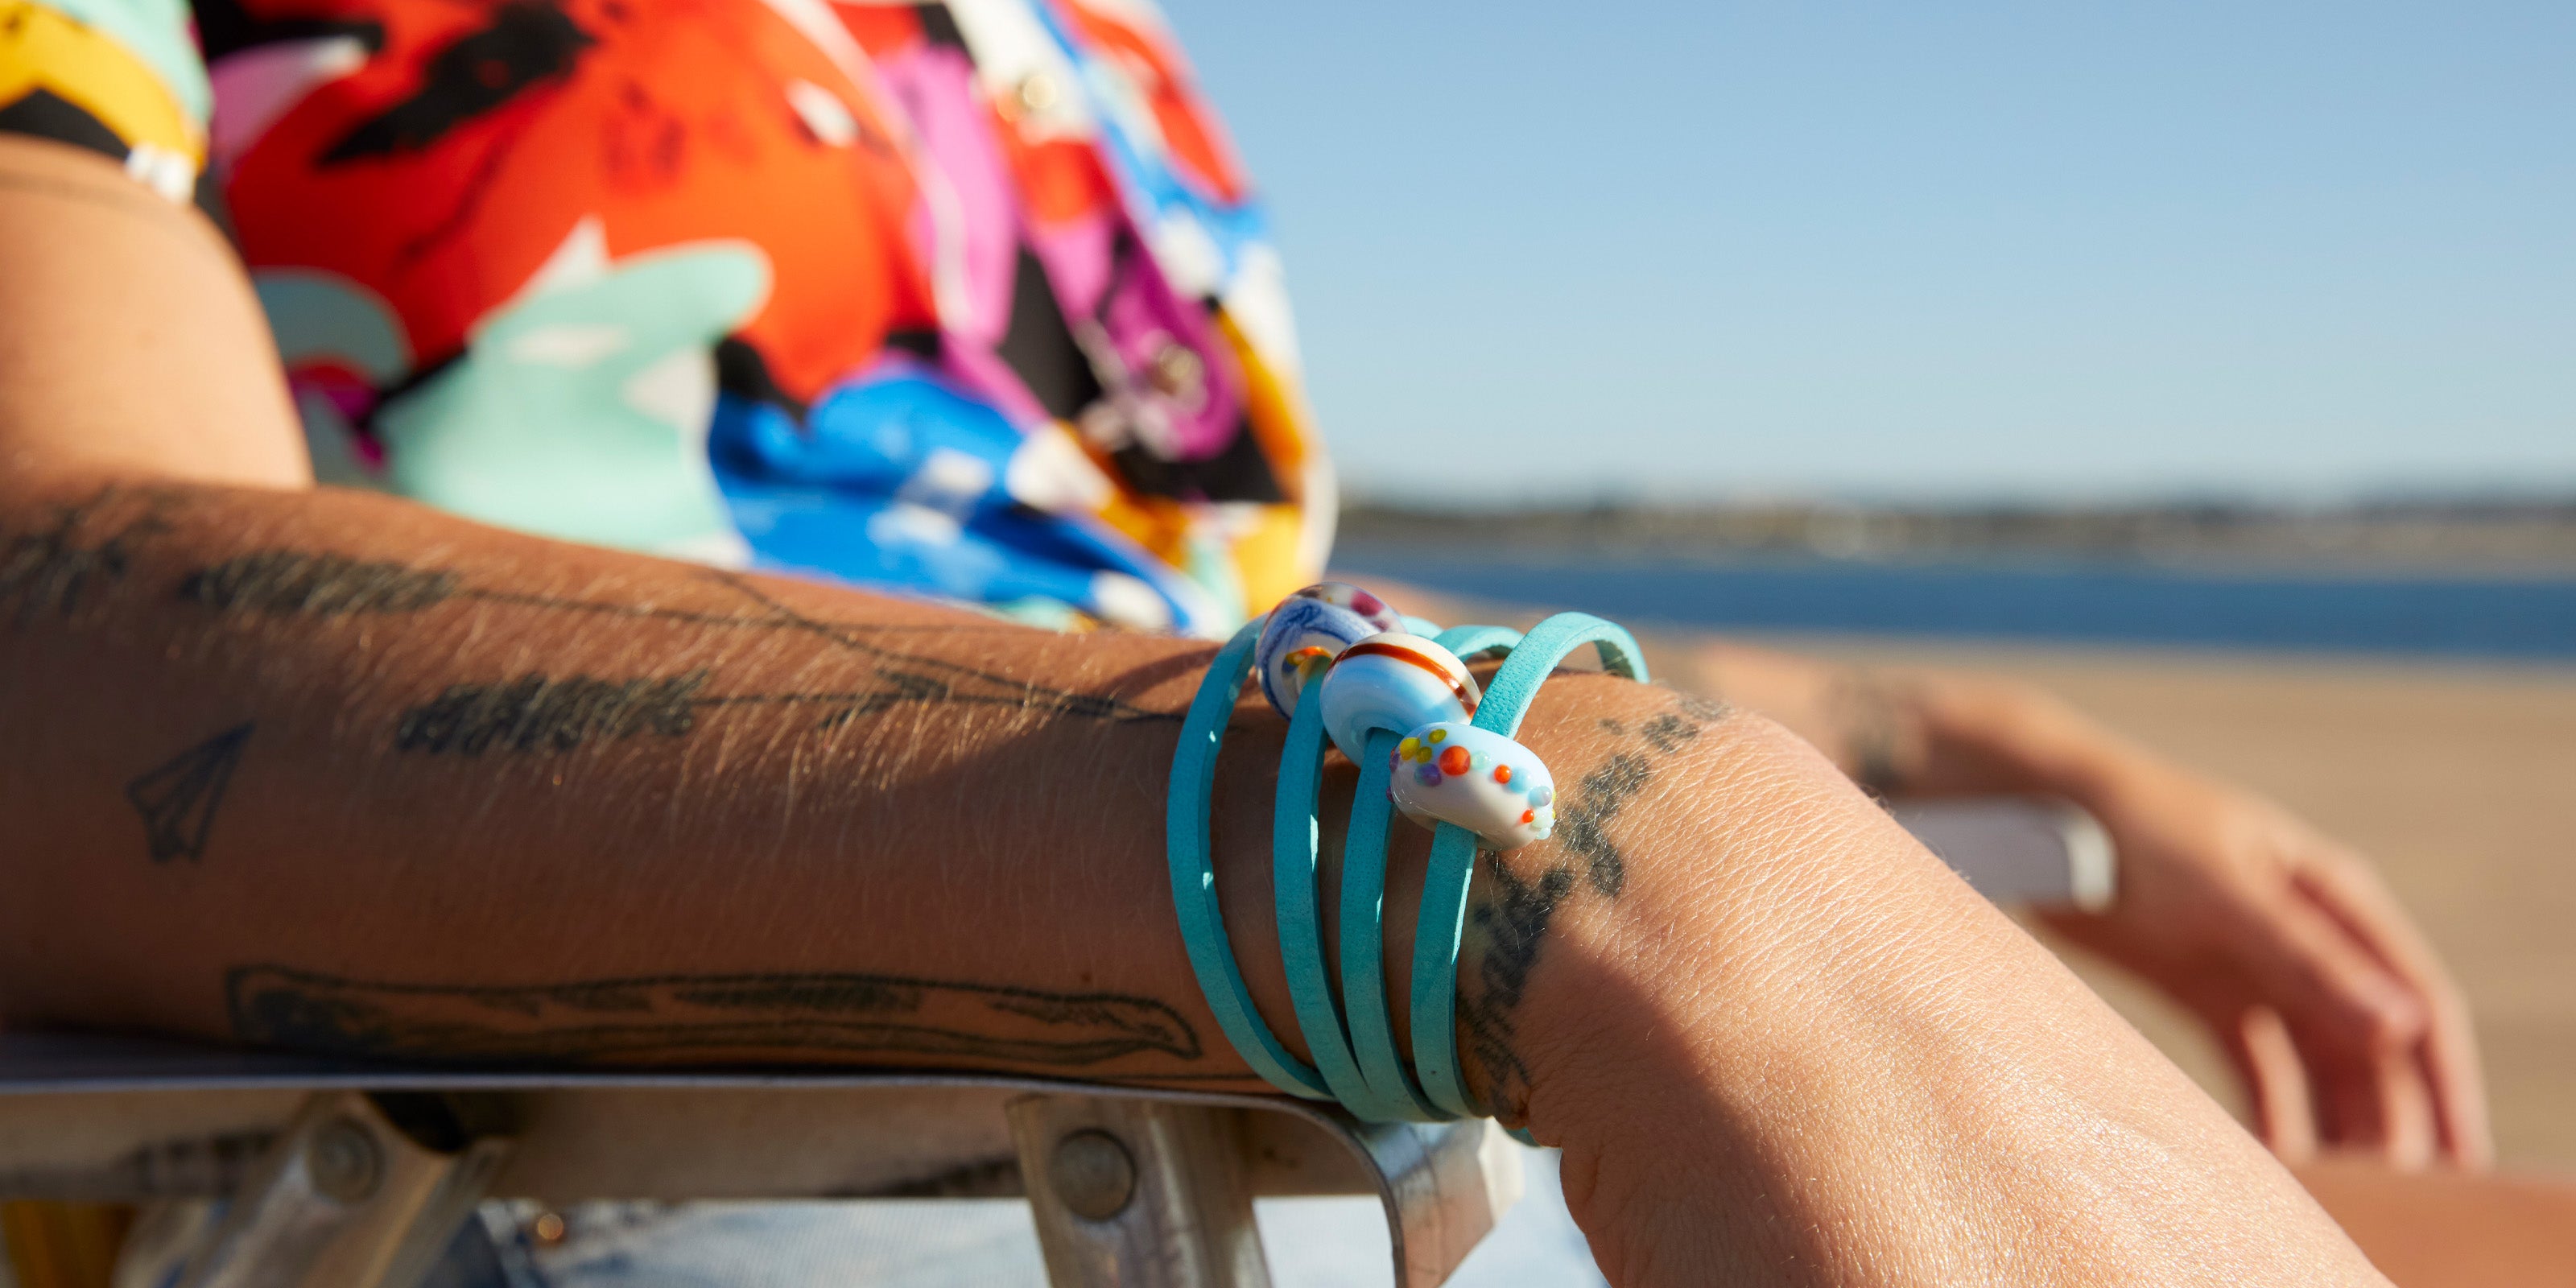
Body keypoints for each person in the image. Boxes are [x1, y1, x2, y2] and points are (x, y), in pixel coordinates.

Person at [0, 0, 2475, 1282]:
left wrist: (1939, 731)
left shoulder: (1068, 56)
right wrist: (1568, 858)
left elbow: (1198, 627)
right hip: (684, 1163)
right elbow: (51, 631)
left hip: (1357, 1132)